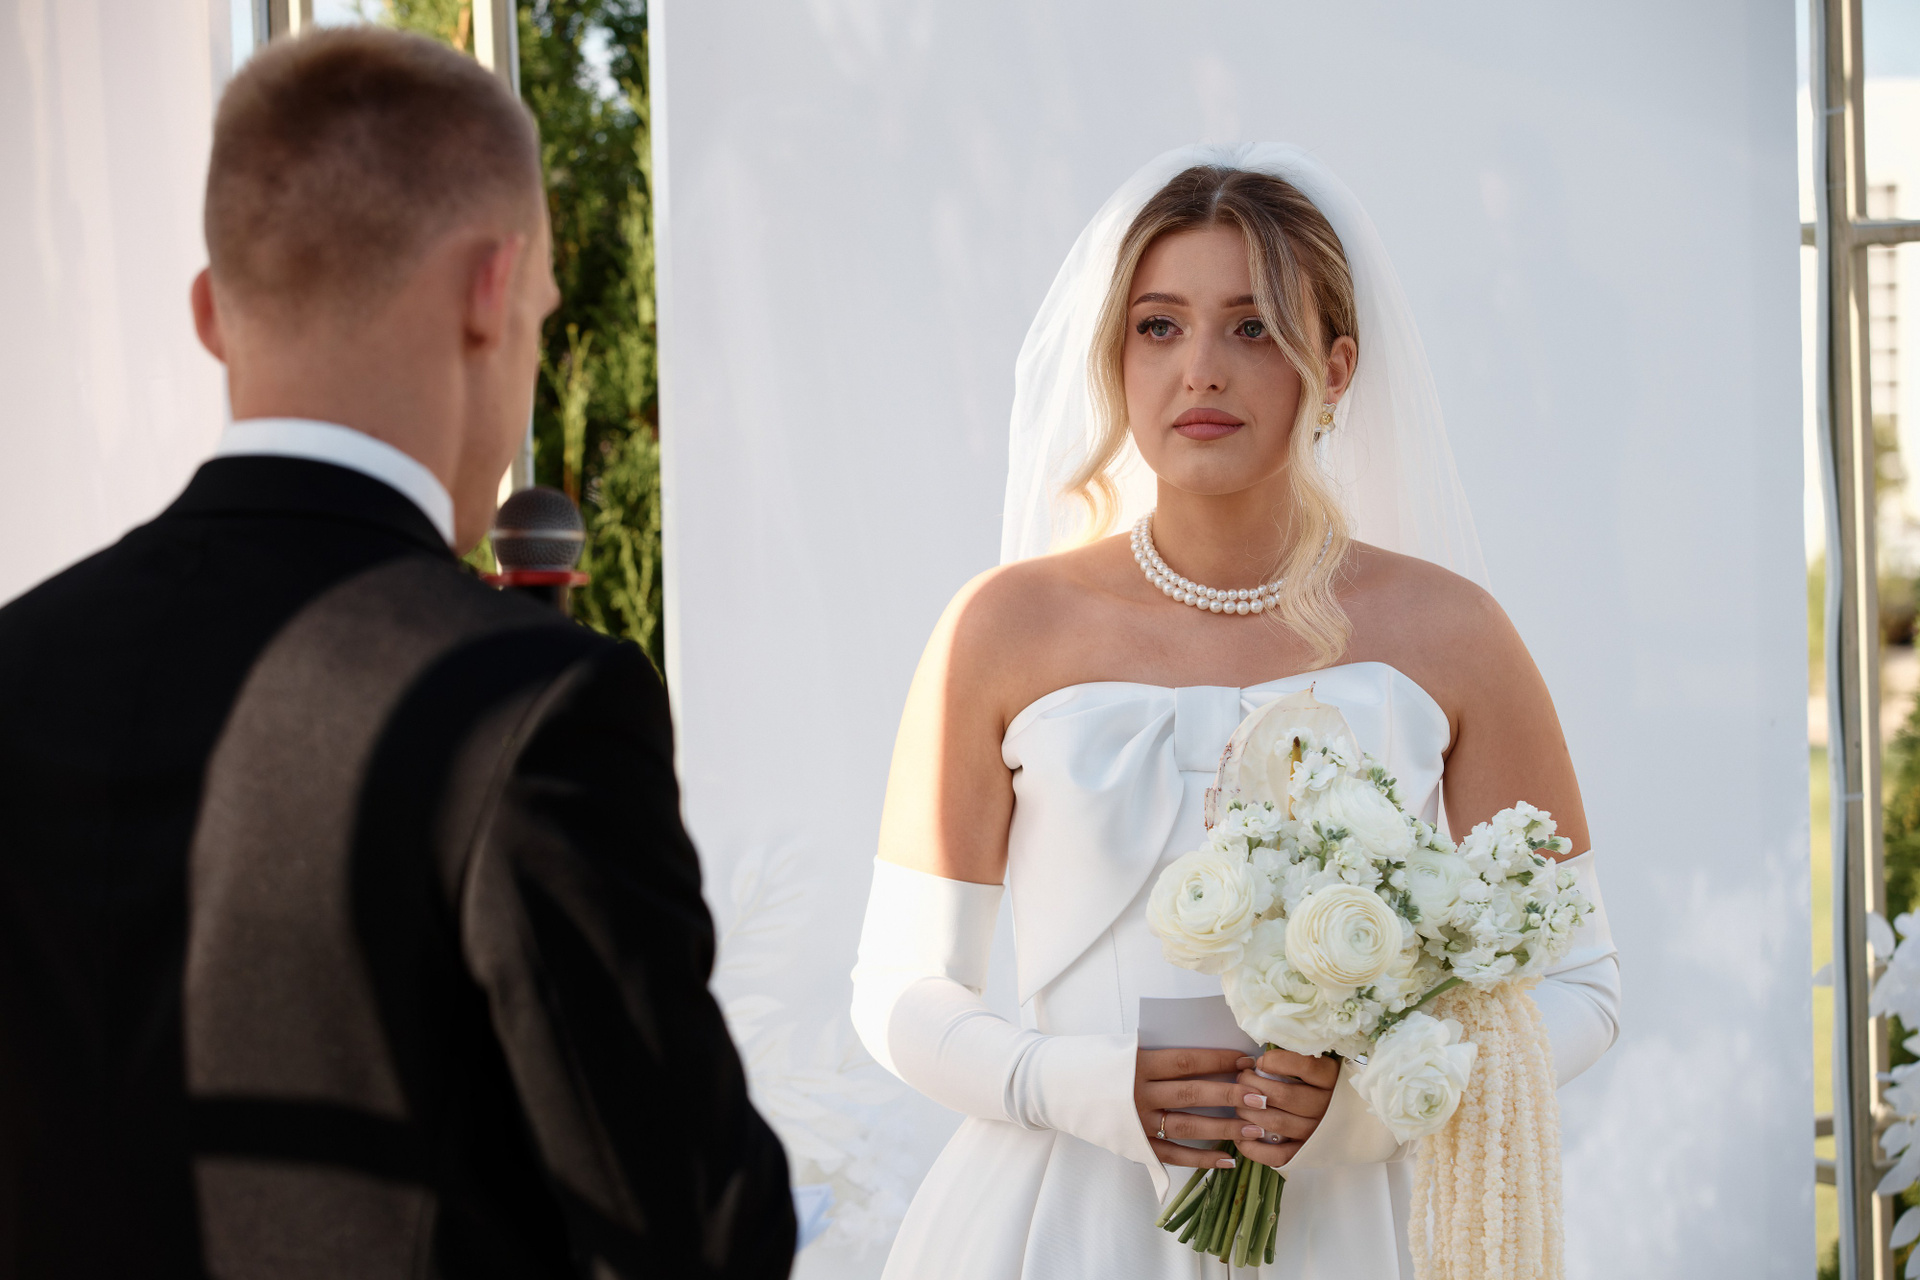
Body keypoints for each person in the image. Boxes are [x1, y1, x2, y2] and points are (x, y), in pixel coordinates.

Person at [0, 27, 792, 1279]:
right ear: (492, 289)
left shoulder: (20, 658)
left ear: (211, 315)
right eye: (543, 316)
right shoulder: (529, 706)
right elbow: (698, 1230)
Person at [849, 145, 1621, 1278]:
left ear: (1337, 368)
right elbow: (899, 989)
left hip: (1356, 1231)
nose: (1200, 370)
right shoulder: (1001, 628)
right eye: (1158, 326)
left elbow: (1583, 984)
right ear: (1116, 359)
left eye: (1253, 328)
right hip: (1064, 1226)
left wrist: (1372, 1104)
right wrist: (1080, 1083)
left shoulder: (1453, 631)